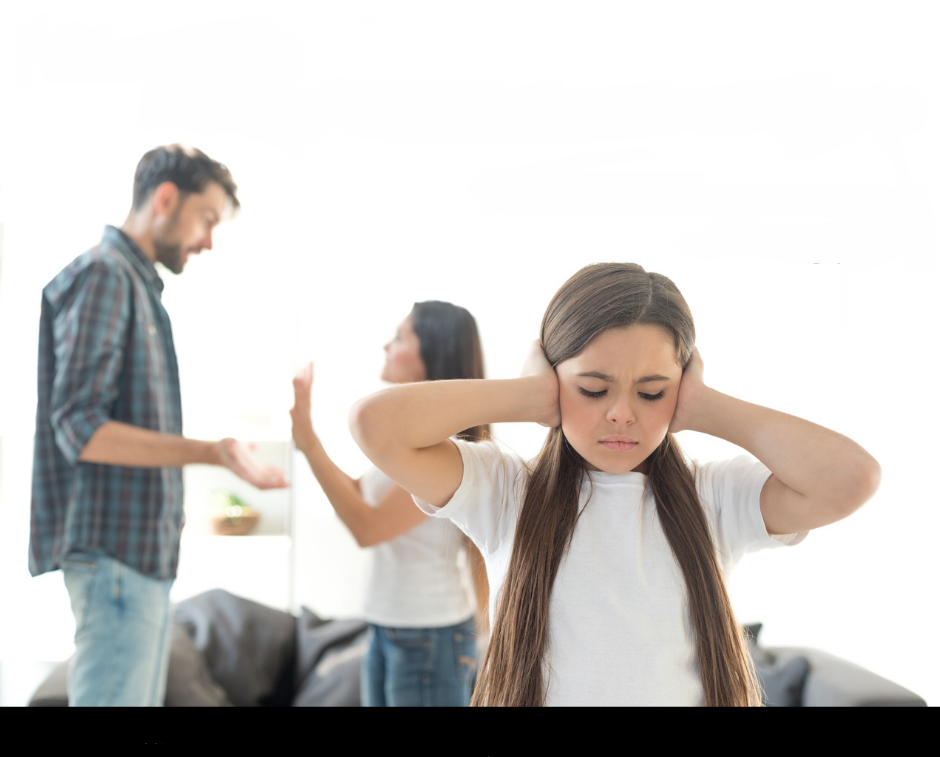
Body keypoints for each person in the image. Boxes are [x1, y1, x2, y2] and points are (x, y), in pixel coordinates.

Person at [348, 263, 881, 706]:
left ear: (682, 388)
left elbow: (851, 479)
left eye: (652, 392)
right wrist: (527, 396)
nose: (622, 414)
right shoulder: (504, 491)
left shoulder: (716, 499)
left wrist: (705, 408)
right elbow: (376, 426)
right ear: (555, 381)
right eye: (593, 389)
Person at [29, 144, 289, 707]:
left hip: (136, 558)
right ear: (166, 198)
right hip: (115, 556)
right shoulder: (104, 275)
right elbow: (79, 426)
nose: (208, 240)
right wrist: (210, 452)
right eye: (207, 219)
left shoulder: (135, 285)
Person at [290, 301, 490, 706]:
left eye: (400, 336)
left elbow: (367, 527)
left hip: (428, 635)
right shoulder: (410, 442)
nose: (386, 345)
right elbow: (359, 497)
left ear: (432, 352)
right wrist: (307, 440)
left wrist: (309, 443)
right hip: (390, 624)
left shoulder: (445, 449)